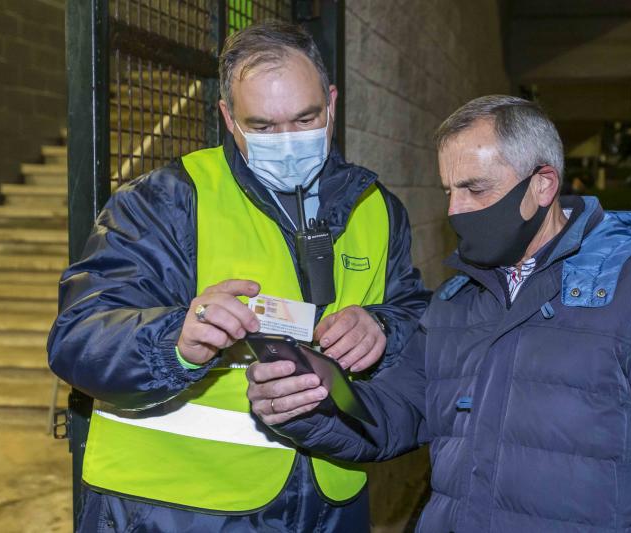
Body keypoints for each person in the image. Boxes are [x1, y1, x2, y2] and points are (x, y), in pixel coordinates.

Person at [248, 96, 631, 531]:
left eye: (476, 189)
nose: (455, 210)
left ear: (543, 185)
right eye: (450, 190)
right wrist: (312, 401)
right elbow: (389, 419)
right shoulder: (456, 303)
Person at [47, 21, 430, 532]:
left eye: (305, 118)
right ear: (228, 117)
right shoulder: (164, 203)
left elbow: (416, 317)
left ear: (332, 103)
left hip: (330, 505)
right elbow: (78, 336)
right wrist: (174, 342)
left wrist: (382, 328)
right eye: (264, 126)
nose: (289, 141)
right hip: (173, 512)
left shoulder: (377, 209)